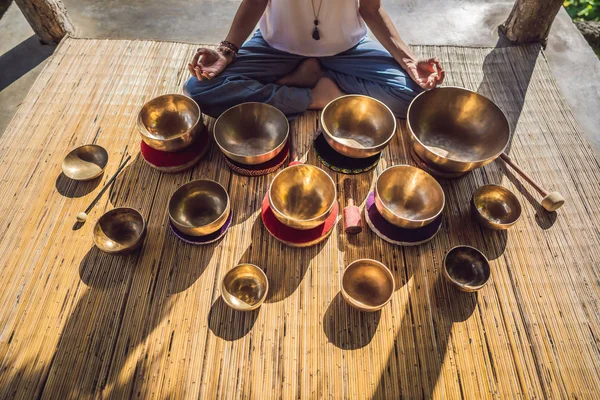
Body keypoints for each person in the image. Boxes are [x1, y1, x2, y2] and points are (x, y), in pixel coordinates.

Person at [184, 0, 445, 119]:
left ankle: (312, 77)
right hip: (276, 47)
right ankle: (317, 97)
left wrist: (409, 60)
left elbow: (371, 8)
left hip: (347, 49)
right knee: (199, 90)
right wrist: (227, 50)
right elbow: (255, 2)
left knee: (419, 99)